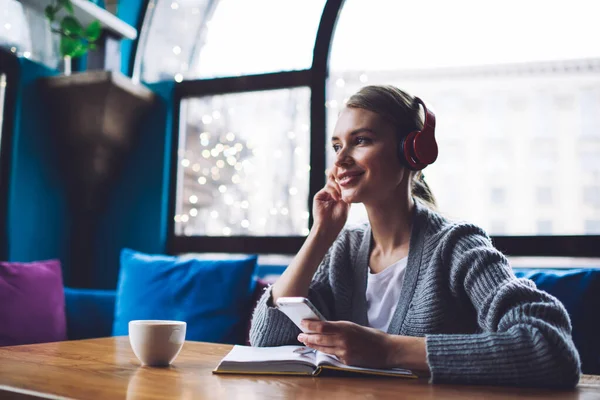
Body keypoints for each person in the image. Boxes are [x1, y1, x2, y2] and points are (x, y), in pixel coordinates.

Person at [249, 85, 581, 387]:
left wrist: (389, 350)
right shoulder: (342, 248)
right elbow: (267, 339)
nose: (340, 159)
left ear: (413, 152)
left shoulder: (458, 247)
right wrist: (320, 234)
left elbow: (550, 348)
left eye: (361, 140)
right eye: (337, 145)